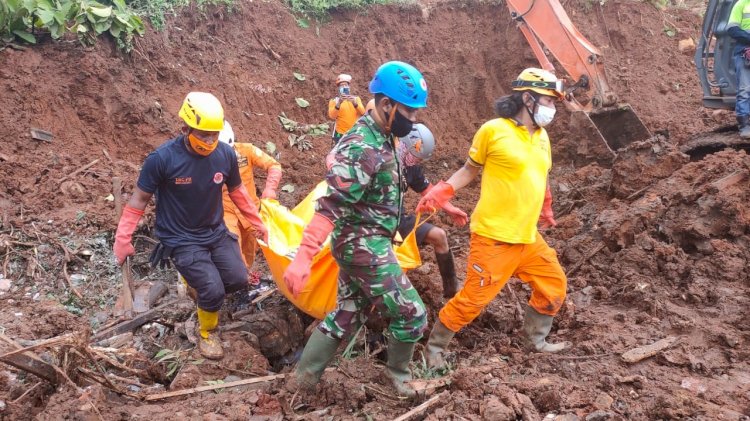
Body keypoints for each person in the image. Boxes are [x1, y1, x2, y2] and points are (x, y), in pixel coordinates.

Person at [284, 61, 430, 398]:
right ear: (386, 105)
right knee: (411, 314)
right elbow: (330, 204)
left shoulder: (385, 134)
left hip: (366, 241)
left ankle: (302, 381)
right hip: (363, 245)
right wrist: (303, 257)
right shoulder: (362, 146)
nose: (413, 118)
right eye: (409, 110)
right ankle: (398, 379)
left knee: (348, 312)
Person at [417, 68, 570, 370]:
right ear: (527, 98)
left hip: (527, 237)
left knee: (554, 285)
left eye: (555, 102)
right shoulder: (493, 130)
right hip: (494, 236)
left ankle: (534, 340)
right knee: (473, 300)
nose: (552, 108)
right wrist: (442, 191)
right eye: (548, 101)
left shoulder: (542, 138)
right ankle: (434, 348)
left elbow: (542, 175)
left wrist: (547, 205)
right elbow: (469, 169)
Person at [112, 92, 269, 360]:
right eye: (203, 134)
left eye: (214, 134)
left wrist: (257, 223)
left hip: (214, 230)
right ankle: (207, 331)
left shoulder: (225, 155)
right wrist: (123, 237)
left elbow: (238, 192)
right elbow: (139, 199)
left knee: (238, 278)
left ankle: (199, 287)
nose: (209, 141)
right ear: (185, 128)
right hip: (180, 237)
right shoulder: (162, 159)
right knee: (212, 289)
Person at [395, 123, 467, 299]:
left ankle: (451, 291)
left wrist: (450, 209)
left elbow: (427, 189)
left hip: (398, 219)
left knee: (440, 236)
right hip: (375, 223)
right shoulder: (381, 160)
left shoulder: (410, 167)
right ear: (405, 145)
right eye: (416, 157)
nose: (416, 163)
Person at [218, 120, 282, 275]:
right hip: (225, 212)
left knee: (250, 249)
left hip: (250, 210)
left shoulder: (247, 150)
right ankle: (238, 277)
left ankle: (245, 278)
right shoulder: (207, 159)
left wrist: (270, 189)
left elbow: (274, 166)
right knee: (233, 250)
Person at [727, 0, 750, 138]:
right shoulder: (741, 4)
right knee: (745, 89)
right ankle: (744, 126)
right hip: (744, 50)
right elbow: (732, 29)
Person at [328, 73, 366, 144]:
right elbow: (332, 116)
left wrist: (355, 103)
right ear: (338, 88)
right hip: (340, 133)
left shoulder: (356, 99)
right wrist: (339, 103)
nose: (344, 86)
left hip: (354, 132)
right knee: (339, 154)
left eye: (346, 85)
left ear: (349, 86)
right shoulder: (334, 101)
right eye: (342, 85)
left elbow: (363, 113)